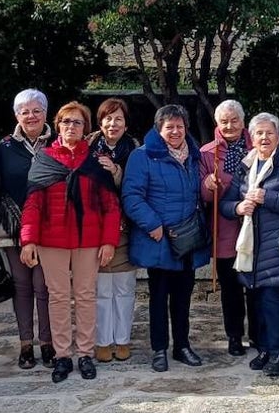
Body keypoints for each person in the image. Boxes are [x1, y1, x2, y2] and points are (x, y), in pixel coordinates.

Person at [20, 102, 120, 383]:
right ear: (58, 125)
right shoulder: (45, 160)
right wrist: (28, 240)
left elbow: (110, 206)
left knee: (87, 296)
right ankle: (63, 355)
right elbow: (32, 204)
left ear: (85, 128)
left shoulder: (95, 162)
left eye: (77, 123)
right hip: (52, 241)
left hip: (89, 240)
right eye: (66, 122)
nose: (71, 127)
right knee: (59, 297)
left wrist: (109, 241)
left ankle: (86, 353)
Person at [221, 113, 279, 377]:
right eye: (259, 133)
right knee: (256, 297)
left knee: (272, 297)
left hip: (278, 243)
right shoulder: (246, 165)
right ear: (252, 137)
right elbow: (226, 204)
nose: (264, 138)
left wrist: (267, 197)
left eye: (269, 133)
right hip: (251, 243)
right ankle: (266, 349)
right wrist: (239, 206)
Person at [122, 104, 211, 372]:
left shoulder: (194, 156)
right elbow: (132, 196)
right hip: (159, 239)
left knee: (183, 297)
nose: (175, 131)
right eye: (169, 126)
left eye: (179, 126)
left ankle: (182, 345)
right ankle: (159, 348)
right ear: (159, 129)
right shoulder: (143, 156)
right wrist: (153, 224)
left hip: (188, 239)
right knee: (159, 297)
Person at [0, 89, 55, 370]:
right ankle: (25, 345)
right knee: (22, 286)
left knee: (43, 286)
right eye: (24, 111)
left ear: (45, 113)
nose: (30, 116)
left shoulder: (58, 142)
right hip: (11, 226)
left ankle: (47, 343)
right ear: (16, 115)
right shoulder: (4, 147)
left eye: (36, 110)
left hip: (51, 227)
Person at [199, 99, 258, 357]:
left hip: (255, 227)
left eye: (235, 120)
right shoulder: (206, 152)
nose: (230, 126)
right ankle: (234, 335)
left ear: (243, 122)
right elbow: (200, 193)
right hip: (223, 229)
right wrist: (207, 185)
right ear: (217, 123)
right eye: (224, 121)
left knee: (255, 285)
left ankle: (258, 334)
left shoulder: (258, 145)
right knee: (231, 289)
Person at [87, 98, 140, 362]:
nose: (113, 123)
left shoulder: (135, 149)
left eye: (118, 118)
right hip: (93, 228)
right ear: (100, 121)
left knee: (124, 287)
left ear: (126, 124)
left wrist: (117, 171)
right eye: (108, 118)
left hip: (126, 227)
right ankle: (102, 341)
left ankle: (122, 339)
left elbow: (139, 187)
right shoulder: (86, 147)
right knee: (100, 289)